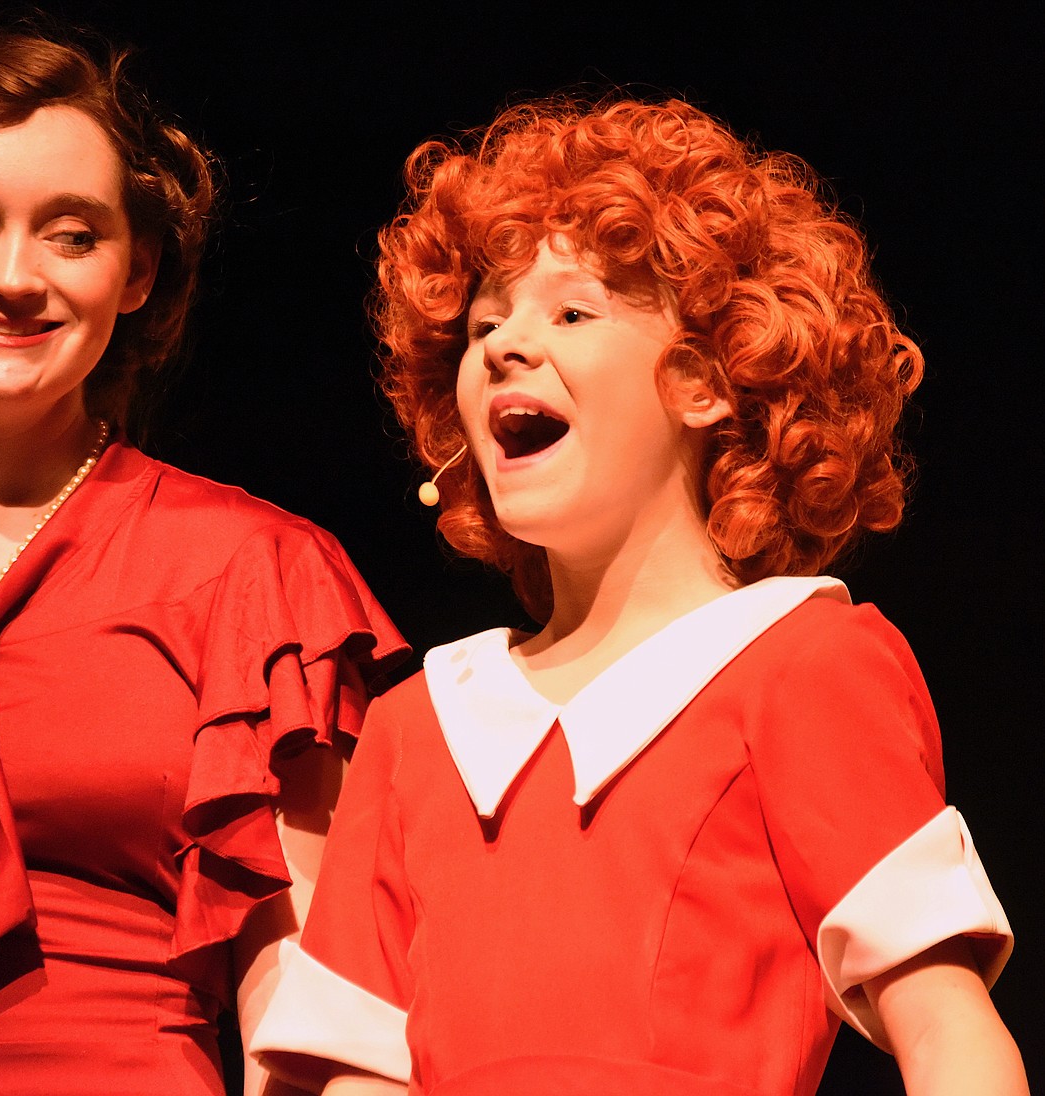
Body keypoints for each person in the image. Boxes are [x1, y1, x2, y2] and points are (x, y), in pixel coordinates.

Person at [251, 98, 1027, 1094]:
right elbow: (350, 1074)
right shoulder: (417, 726)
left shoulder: (797, 662)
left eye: (572, 312)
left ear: (703, 381)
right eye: (486, 323)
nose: (503, 346)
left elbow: (948, 1032)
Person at [0, 27, 406, 1096]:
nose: (14, 278)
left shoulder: (253, 569)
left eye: (71, 236)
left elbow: (313, 1000)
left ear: (138, 273)